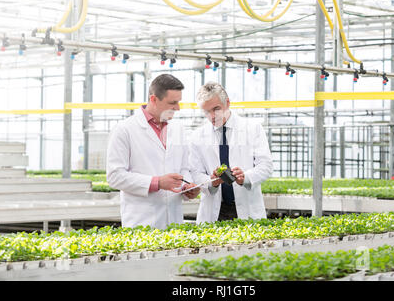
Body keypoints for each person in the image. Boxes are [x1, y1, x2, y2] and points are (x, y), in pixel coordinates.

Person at [106, 74, 200, 229]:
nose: (178, 108)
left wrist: (187, 186)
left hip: (174, 221)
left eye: (179, 102)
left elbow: (184, 167)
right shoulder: (124, 130)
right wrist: (156, 182)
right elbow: (115, 176)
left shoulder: (178, 129)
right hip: (142, 220)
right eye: (172, 103)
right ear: (154, 99)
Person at [189, 81, 273, 223]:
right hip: (214, 212)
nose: (212, 116)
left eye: (216, 109)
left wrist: (245, 177)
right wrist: (211, 181)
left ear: (227, 103)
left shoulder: (252, 129)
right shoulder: (197, 136)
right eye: (206, 112)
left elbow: (266, 166)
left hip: (247, 208)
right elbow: (195, 173)